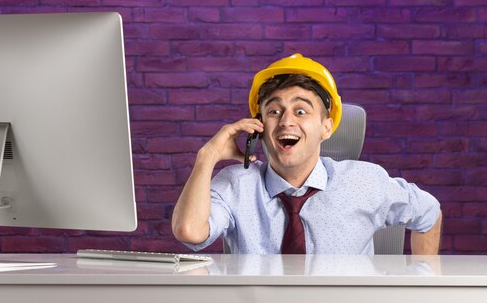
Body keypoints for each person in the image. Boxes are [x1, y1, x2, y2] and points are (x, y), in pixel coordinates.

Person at [172, 53, 442, 254]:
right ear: (259, 127)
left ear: (326, 127)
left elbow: (429, 213)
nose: (286, 121)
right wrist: (207, 156)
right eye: (274, 111)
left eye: (301, 111)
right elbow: (190, 232)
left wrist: (425, 285)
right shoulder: (236, 184)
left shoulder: (365, 182)